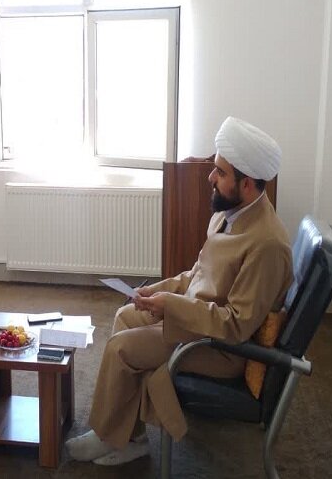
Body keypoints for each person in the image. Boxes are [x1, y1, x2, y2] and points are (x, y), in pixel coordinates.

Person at [65, 116, 294, 466]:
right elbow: (197, 274)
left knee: (121, 349)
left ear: (247, 184)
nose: (210, 177)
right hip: (196, 321)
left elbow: (236, 325)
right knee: (126, 315)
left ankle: (109, 436)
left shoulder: (267, 245)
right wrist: (154, 292)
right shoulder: (229, 213)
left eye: (219, 172)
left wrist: (171, 306)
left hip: (220, 349)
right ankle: (132, 437)